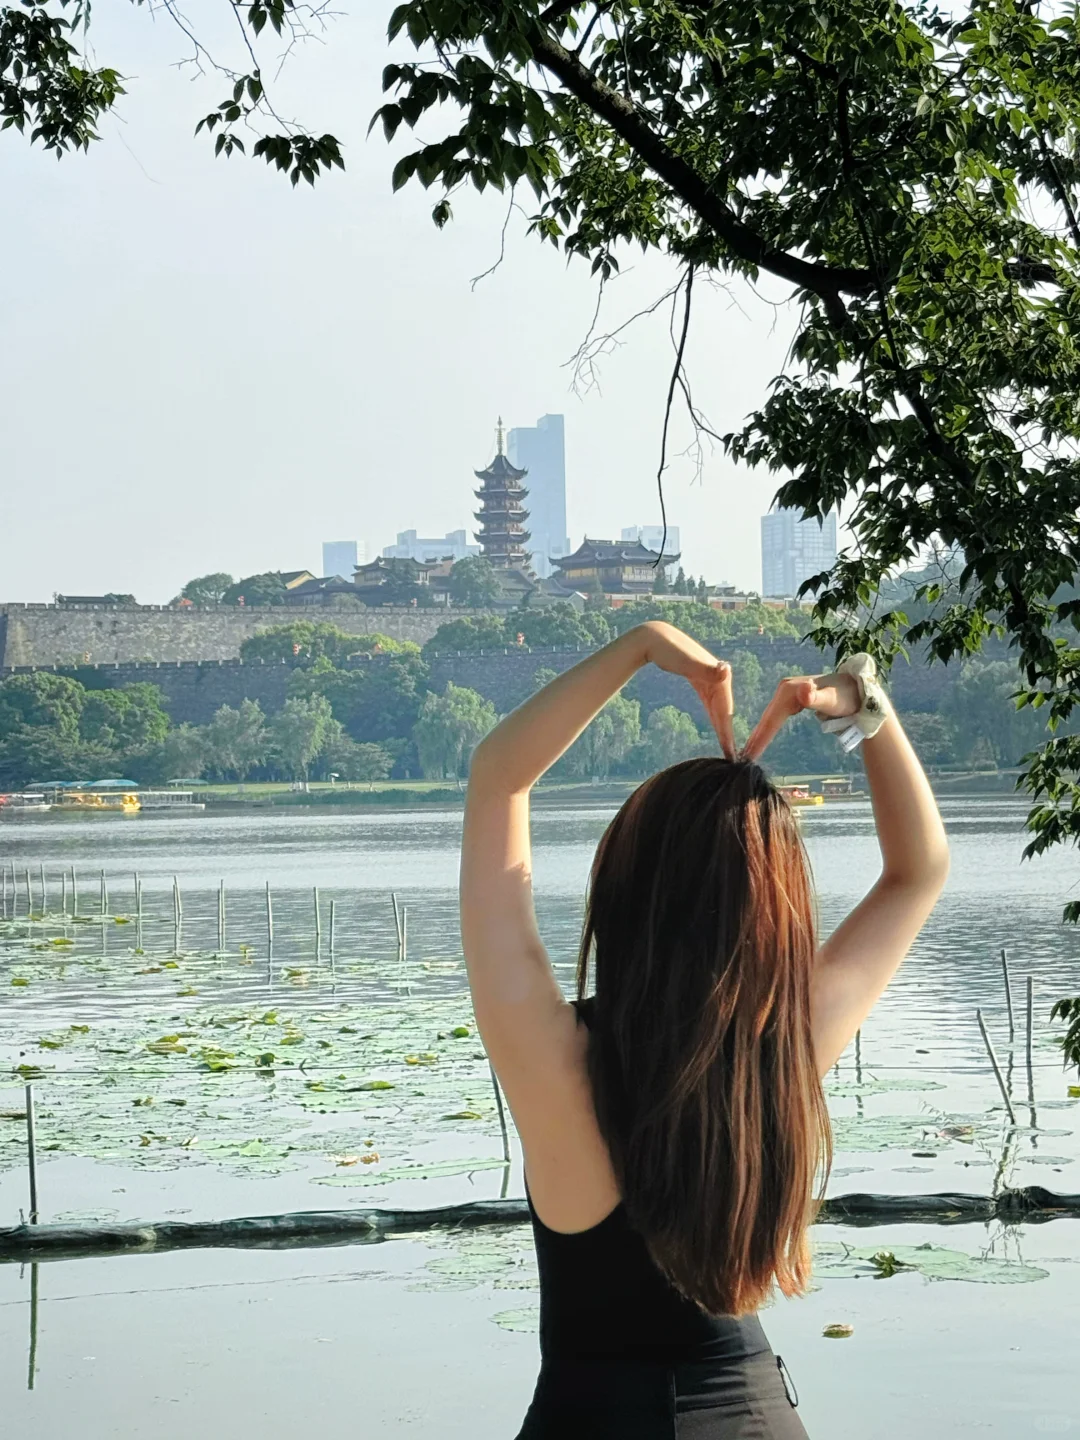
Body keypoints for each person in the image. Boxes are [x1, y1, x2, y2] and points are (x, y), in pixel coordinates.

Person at [460, 621, 949, 1439]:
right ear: (774, 913)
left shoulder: (553, 1059)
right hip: (753, 1418)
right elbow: (918, 870)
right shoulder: (783, 1048)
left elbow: (498, 779)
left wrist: (641, 646)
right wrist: (862, 705)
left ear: (623, 887)